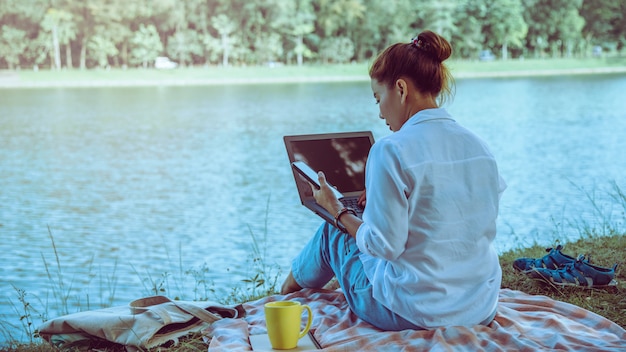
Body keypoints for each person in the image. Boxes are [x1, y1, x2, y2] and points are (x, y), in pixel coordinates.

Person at [281, 30, 506, 331]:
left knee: (332, 231)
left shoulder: (391, 149)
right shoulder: (478, 147)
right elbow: (457, 214)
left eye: (378, 98)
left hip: (413, 312)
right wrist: (380, 193)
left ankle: (284, 296)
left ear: (400, 89)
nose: (379, 113)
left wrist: (338, 211)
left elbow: (383, 247)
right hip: (479, 307)